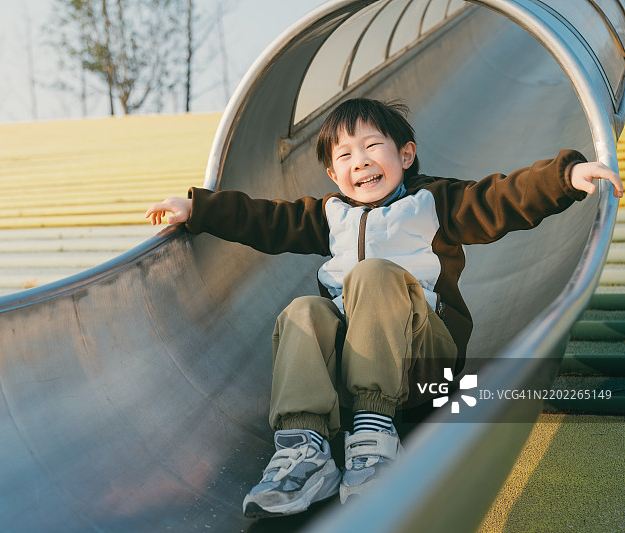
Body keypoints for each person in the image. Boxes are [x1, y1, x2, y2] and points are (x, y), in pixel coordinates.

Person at [144, 98, 623, 518]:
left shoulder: (434, 202)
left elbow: (498, 197)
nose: (361, 162)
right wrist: (199, 209)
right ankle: (304, 449)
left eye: (373, 146)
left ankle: (375, 437)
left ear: (405, 155)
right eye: (345, 155)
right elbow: (266, 219)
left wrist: (565, 177)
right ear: (334, 175)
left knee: (373, 274)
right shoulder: (330, 214)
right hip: (350, 375)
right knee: (304, 311)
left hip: (423, 364)